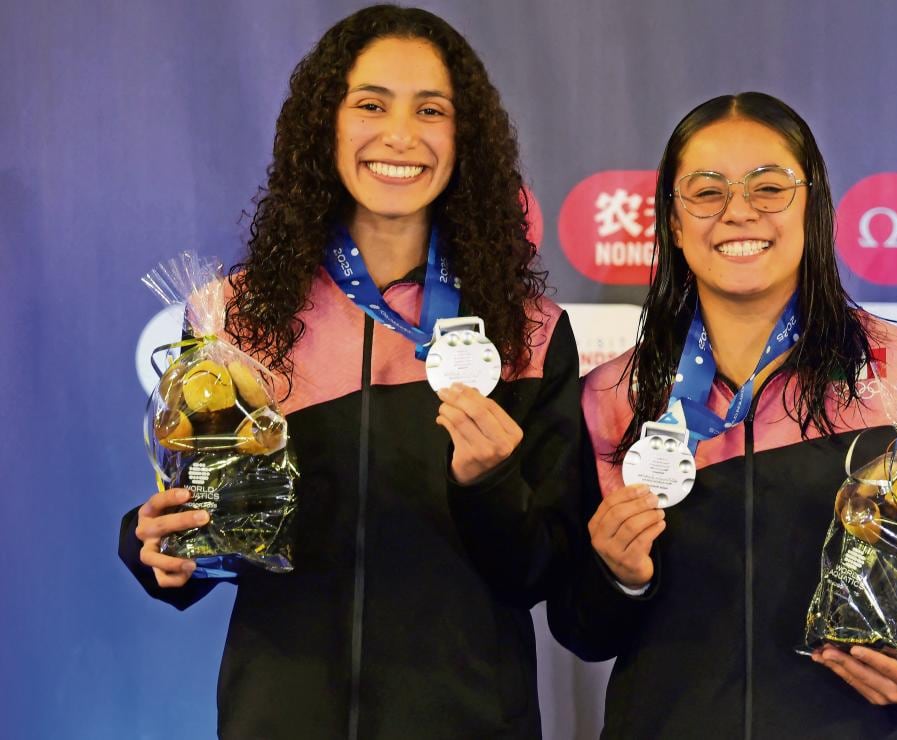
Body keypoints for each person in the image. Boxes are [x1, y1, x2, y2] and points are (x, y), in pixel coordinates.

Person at [118, 6, 579, 738]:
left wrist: (490, 484)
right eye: (370, 104)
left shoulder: (528, 334)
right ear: (324, 127)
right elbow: (215, 534)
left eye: (431, 110)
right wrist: (159, 549)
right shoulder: (235, 318)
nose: (400, 135)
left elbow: (547, 574)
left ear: (465, 138)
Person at [548, 92, 897, 738]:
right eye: (706, 191)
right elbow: (580, 628)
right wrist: (619, 577)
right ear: (673, 222)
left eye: (769, 187)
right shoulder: (613, 397)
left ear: (813, 207)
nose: (738, 211)